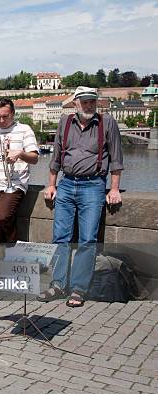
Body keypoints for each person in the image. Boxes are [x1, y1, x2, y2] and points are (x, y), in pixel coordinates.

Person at [39, 86, 123, 307]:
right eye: (84, 102)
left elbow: (116, 159)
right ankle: (57, 285)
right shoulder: (65, 122)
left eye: (92, 102)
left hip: (93, 185)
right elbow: (56, 156)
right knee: (60, 237)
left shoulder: (107, 122)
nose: (88, 105)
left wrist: (114, 189)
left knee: (87, 240)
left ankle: (78, 289)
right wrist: (51, 184)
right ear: (75, 102)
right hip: (66, 184)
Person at [0, 98, 39, 247]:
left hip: (15, 184)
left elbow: (35, 158)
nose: (1, 120)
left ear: (13, 113)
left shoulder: (25, 129)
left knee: (2, 214)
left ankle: (13, 245)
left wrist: (20, 154)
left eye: (5, 116)